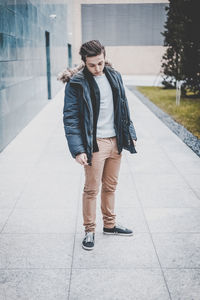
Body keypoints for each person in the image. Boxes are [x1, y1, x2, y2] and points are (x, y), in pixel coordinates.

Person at [59, 40, 137, 251]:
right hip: (95, 144)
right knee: (92, 189)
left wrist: (130, 133)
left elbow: (124, 107)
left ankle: (110, 225)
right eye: (92, 65)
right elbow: (71, 118)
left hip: (116, 141)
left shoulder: (114, 76)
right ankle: (89, 230)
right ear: (84, 62)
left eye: (100, 63)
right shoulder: (77, 83)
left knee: (111, 186)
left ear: (104, 57)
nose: (97, 68)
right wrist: (78, 149)